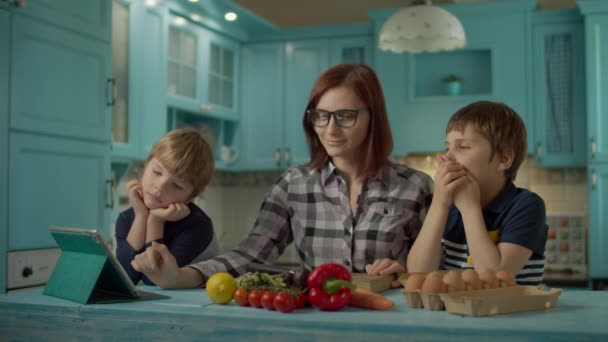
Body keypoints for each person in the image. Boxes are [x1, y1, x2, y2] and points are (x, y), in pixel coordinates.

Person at [131, 64, 433, 289]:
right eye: (321, 115)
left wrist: (405, 273)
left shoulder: (415, 187)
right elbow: (249, 255)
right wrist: (181, 277)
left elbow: (441, 271)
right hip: (316, 323)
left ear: (373, 118)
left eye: (345, 116)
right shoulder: (294, 185)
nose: (330, 129)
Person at [405, 101, 548, 285]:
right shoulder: (448, 207)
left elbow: (496, 278)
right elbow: (418, 273)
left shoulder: (527, 205)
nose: (448, 157)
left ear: (504, 159)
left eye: (463, 147)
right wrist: (439, 204)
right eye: (447, 147)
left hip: (511, 313)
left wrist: (470, 208)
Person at [115, 128, 219, 285]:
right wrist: (142, 216)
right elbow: (125, 277)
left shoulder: (198, 226)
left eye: (176, 186)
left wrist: (155, 221)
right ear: (146, 165)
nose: (160, 186)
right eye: (157, 172)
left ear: (190, 197)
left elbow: (154, 279)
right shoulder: (126, 219)